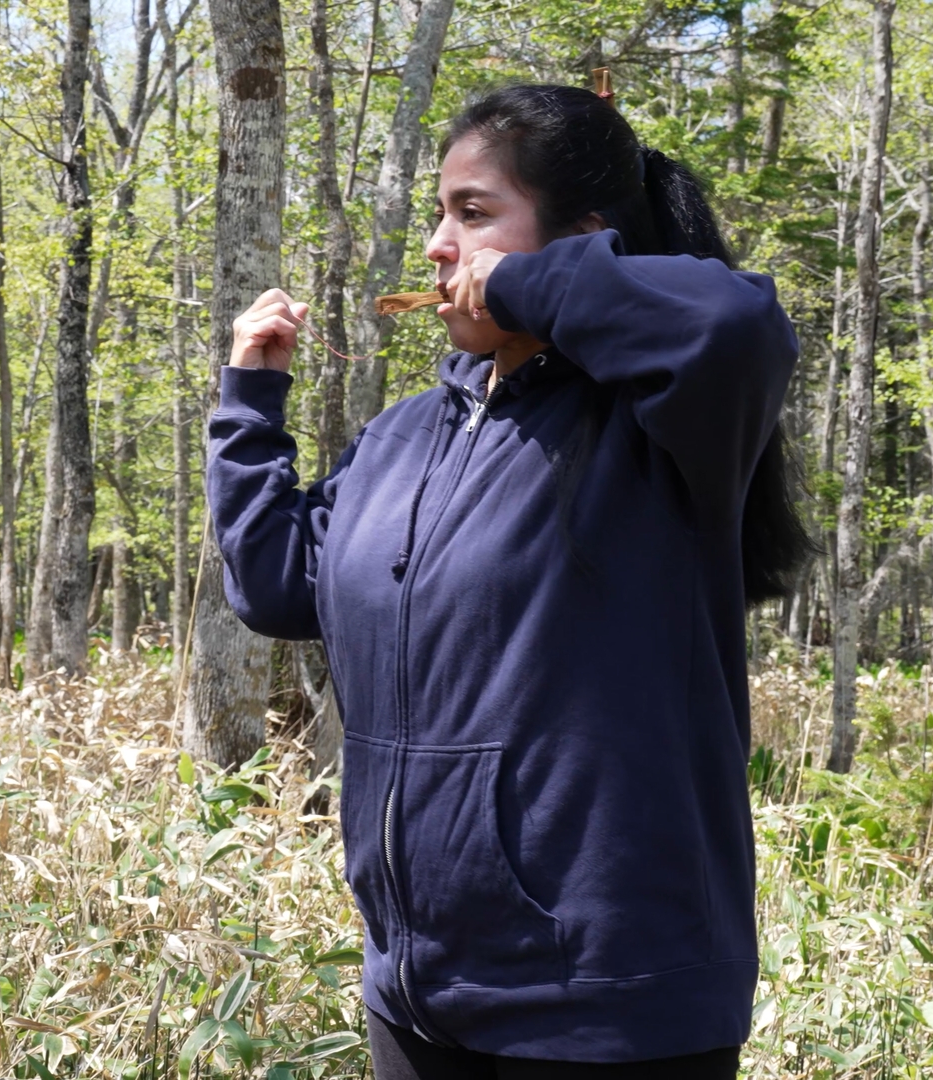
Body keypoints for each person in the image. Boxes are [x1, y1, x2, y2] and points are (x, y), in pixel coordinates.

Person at [208, 84, 812, 1077]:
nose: (441, 246)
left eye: (475, 213)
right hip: (419, 996)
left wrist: (529, 288)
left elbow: (738, 323)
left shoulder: (658, 427)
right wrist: (250, 400)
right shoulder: (403, 438)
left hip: (609, 1009)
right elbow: (275, 587)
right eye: (442, 215)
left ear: (584, 238)